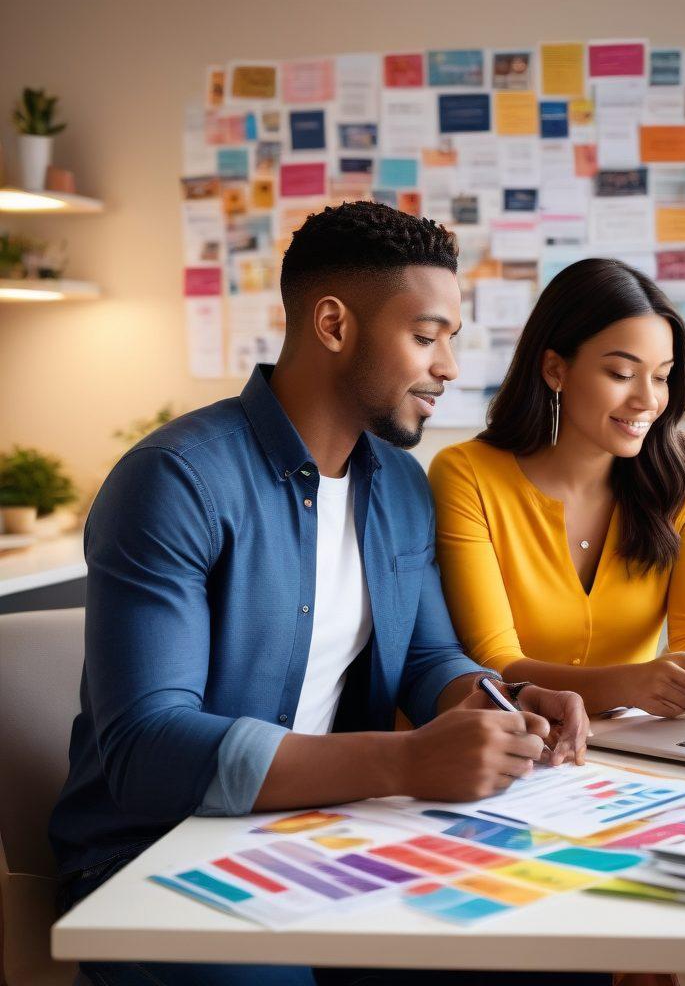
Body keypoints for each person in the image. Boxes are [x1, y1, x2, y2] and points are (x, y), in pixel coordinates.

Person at [50, 202, 598, 986]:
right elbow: (145, 748)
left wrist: (503, 699)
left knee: (551, 955)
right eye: (425, 336)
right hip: (150, 850)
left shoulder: (402, 486)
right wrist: (406, 760)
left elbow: (429, 656)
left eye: (452, 340)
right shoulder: (175, 481)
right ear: (334, 325)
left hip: (323, 833)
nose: (448, 367)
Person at [428, 257, 685, 721]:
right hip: (510, 741)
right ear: (555, 370)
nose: (647, 400)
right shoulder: (467, 474)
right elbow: (496, 663)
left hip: (631, 747)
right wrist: (628, 683)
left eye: (662, 376)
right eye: (621, 374)